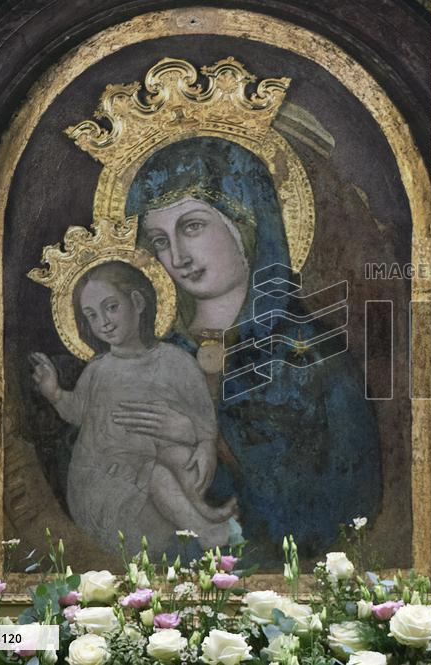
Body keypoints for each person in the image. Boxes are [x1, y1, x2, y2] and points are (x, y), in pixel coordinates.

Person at [123, 137, 383, 566]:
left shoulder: (314, 355)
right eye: (159, 240)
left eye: (192, 226)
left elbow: (347, 498)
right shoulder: (150, 355)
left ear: (246, 222)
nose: (178, 256)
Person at [30, 261, 236, 554]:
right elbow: (76, 412)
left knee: (180, 457)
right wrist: (54, 393)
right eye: (91, 315)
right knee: (157, 473)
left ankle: (202, 512)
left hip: (158, 476)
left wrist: (204, 444)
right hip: (104, 481)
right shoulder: (98, 370)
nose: (104, 322)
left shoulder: (177, 362)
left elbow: (203, 419)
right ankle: (204, 529)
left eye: (111, 307)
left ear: (137, 302)